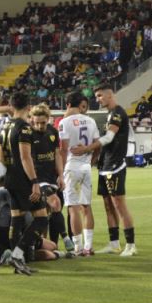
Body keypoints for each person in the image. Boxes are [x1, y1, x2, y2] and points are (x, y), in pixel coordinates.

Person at [76, 85, 137, 257]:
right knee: (108, 205)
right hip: (105, 165)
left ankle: (131, 245)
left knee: (119, 204)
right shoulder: (109, 115)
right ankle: (114, 243)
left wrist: (87, 148)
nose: (97, 99)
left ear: (110, 95)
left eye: (100, 96)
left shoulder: (118, 113)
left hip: (115, 165)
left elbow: (109, 137)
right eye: (96, 96)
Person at [0, 91, 49, 275]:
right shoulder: (25, 128)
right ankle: (18, 254)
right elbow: (25, 156)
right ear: (28, 108)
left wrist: (10, 170)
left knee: (17, 219)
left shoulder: (5, 126)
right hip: (24, 179)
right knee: (42, 218)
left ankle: (17, 262)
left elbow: (1, 156)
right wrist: (34, 182)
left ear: (11, 107)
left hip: (10, 177)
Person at [58, 92, 99, 256]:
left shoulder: (65, 122)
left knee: (73, 208)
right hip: (86, 166)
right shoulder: (91, 120)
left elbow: (63, 149)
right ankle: (89, 247)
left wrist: (59, 171)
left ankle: (78, 247)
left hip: (71, 167)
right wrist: (92, 160)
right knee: (87, 207)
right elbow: (98, 144)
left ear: (67, 104)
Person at [30, 103, 73, 253]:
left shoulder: (53, 132)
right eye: (37, 123)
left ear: (48, 119)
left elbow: (57, 156)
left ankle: (52, 247)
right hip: (36, 179)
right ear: (32, 120)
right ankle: (65, 237)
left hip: (52, 177)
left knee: (54, 211)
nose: (40, 126)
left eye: (43, 122)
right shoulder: (28, 134)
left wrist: (61, 176)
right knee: (54, 204)